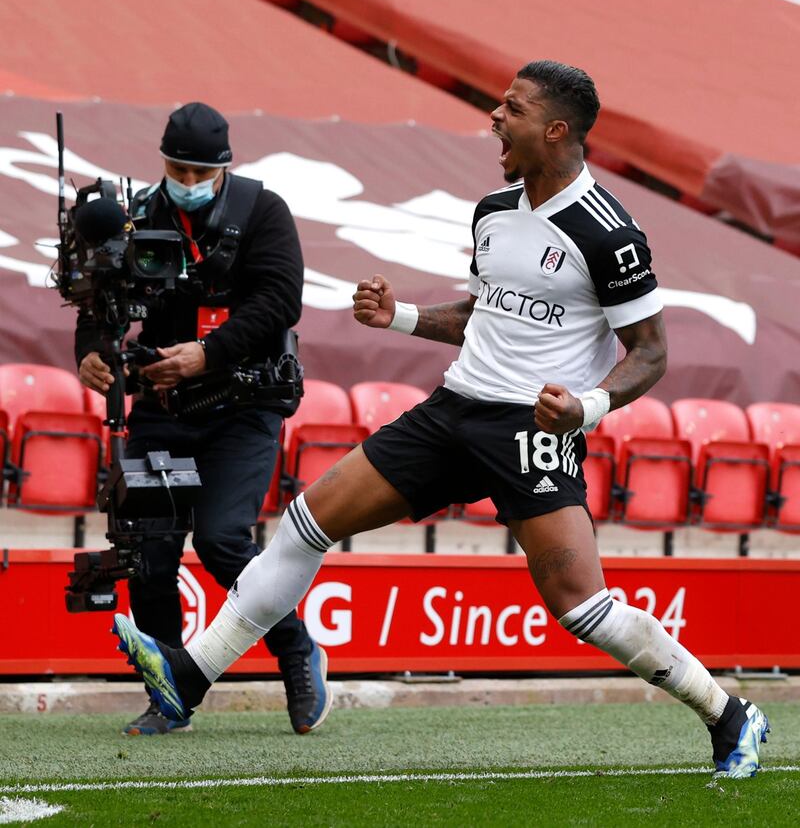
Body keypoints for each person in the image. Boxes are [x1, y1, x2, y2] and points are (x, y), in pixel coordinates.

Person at [111, 64, 768, 776]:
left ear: (555, 129)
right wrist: (402, 318)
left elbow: (651, 352)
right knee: (308, 522)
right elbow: (487, 318)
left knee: (581, 608)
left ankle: (732, 716)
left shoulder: (609, 233)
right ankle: (190, 676)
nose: (495, 116)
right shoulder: (494, 210)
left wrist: (588, 406)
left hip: (531, 431)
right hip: (454, 410)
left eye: (512, 108)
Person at [77, 102, 330, 736]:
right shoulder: (136, 215)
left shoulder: (262, 211)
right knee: (149, 554)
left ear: (224, 167)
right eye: (176, 167)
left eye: (198, 170)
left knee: (221, 540)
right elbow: (97, 296)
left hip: (244, 405)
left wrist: (207, 355)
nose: (186, 179)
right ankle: (169, 693)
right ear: (162, 161)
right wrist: (88, 352)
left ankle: (297, 651)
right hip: (162, 406)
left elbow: (280, 302)